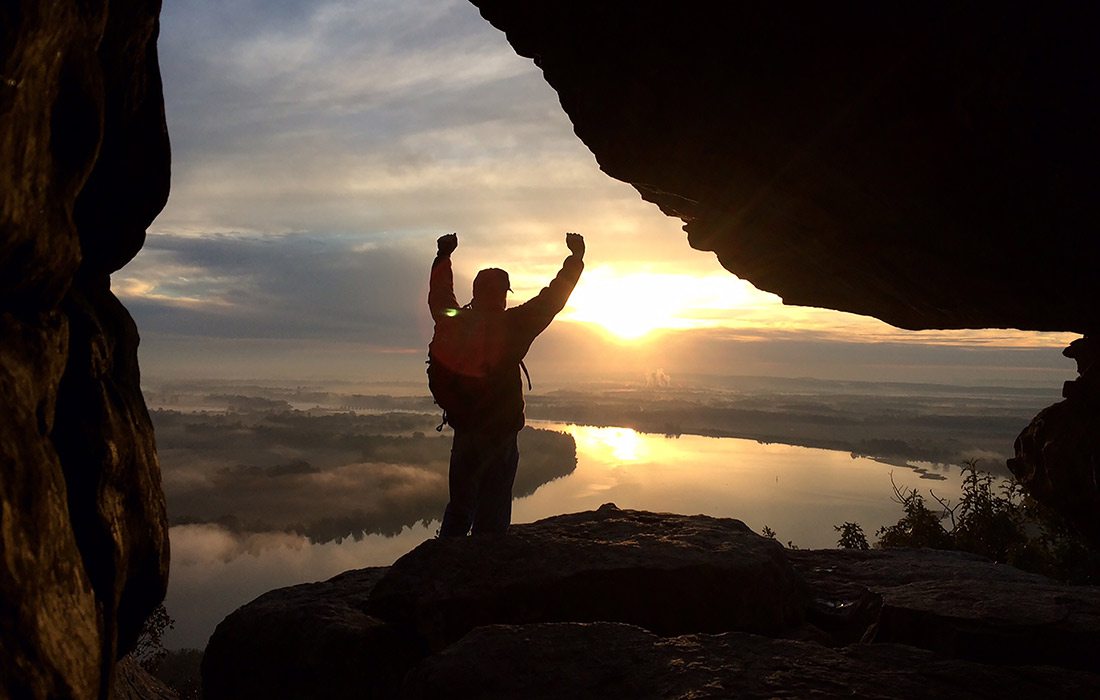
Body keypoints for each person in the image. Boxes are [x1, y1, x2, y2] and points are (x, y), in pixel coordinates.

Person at [428, 231, 584, 536]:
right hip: (500, 435)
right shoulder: (515, 325)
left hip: (465, 431)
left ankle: (444, 569)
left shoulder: (454, 320)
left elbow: (439, 294)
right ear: (503, 294)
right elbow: (553, 298)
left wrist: (443, 256)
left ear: (475, 292)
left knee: (460, 506)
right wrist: (575, 260)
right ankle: (487, 570)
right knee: (494, 507)